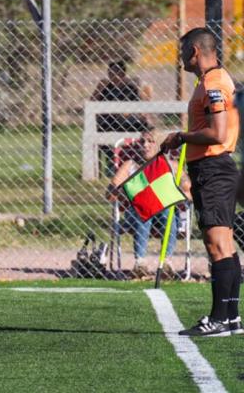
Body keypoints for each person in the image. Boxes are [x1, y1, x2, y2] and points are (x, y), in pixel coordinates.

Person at [161, 27, 242, 337]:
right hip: (212, 170)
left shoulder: (213, 82)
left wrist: (180, 137)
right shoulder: (213, 80)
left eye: (183, 52)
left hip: (214, 169)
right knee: (225, 246)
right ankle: (231, 318)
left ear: (194, 51)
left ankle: (220, 318)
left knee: (218, 246)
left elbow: (218, 133)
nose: (181, 58)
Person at [106, 129, 187, 278]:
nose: (145, 145)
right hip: (137, 215)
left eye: (150, 141)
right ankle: (140, 263)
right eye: (142, 141)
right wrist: (131, 191)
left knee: (166, 209)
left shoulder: (170, 165)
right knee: (144, 207)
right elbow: (110, 194)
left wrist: (179, 189)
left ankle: (166, 263)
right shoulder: (130, 165)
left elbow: (188, 190)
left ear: (160, 144)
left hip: (165, 214)